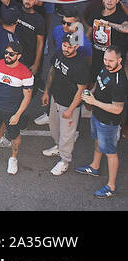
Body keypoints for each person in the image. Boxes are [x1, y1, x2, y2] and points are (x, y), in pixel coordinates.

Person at [0, 43, 34, 176]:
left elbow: (27, 97)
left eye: (11, 54)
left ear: (19, 56)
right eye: (6, 52)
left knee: (14, 135)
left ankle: (13, 158)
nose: (7, 56)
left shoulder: (26, 73)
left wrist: (18, 115)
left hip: (12, 111)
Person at [76, 45, 125, 197]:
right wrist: (91, 92)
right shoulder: (106, 68)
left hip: (108, 122)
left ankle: (111, 186)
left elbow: (118, 109)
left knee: (110, 152)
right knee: (97, 141)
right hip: (97, 116)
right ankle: (95, 166)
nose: (107, 63)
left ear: (120, 60)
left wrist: (93, 102)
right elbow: (99, 82)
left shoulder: (120, 82)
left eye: (111, 60)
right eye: (105, 59)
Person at [42, 33, 92, 176]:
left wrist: (70, 109)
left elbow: (81, 90)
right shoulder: (59, 53)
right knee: (54, 127)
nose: (66, 49)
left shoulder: (81, 65)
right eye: (64, 45)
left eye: (69, 47)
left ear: (76, 46)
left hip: (69, 104)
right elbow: (52, 70)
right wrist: (46, 91)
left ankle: (65, 161)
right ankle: (58, 147)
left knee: (67, 135)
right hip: (55, 98)